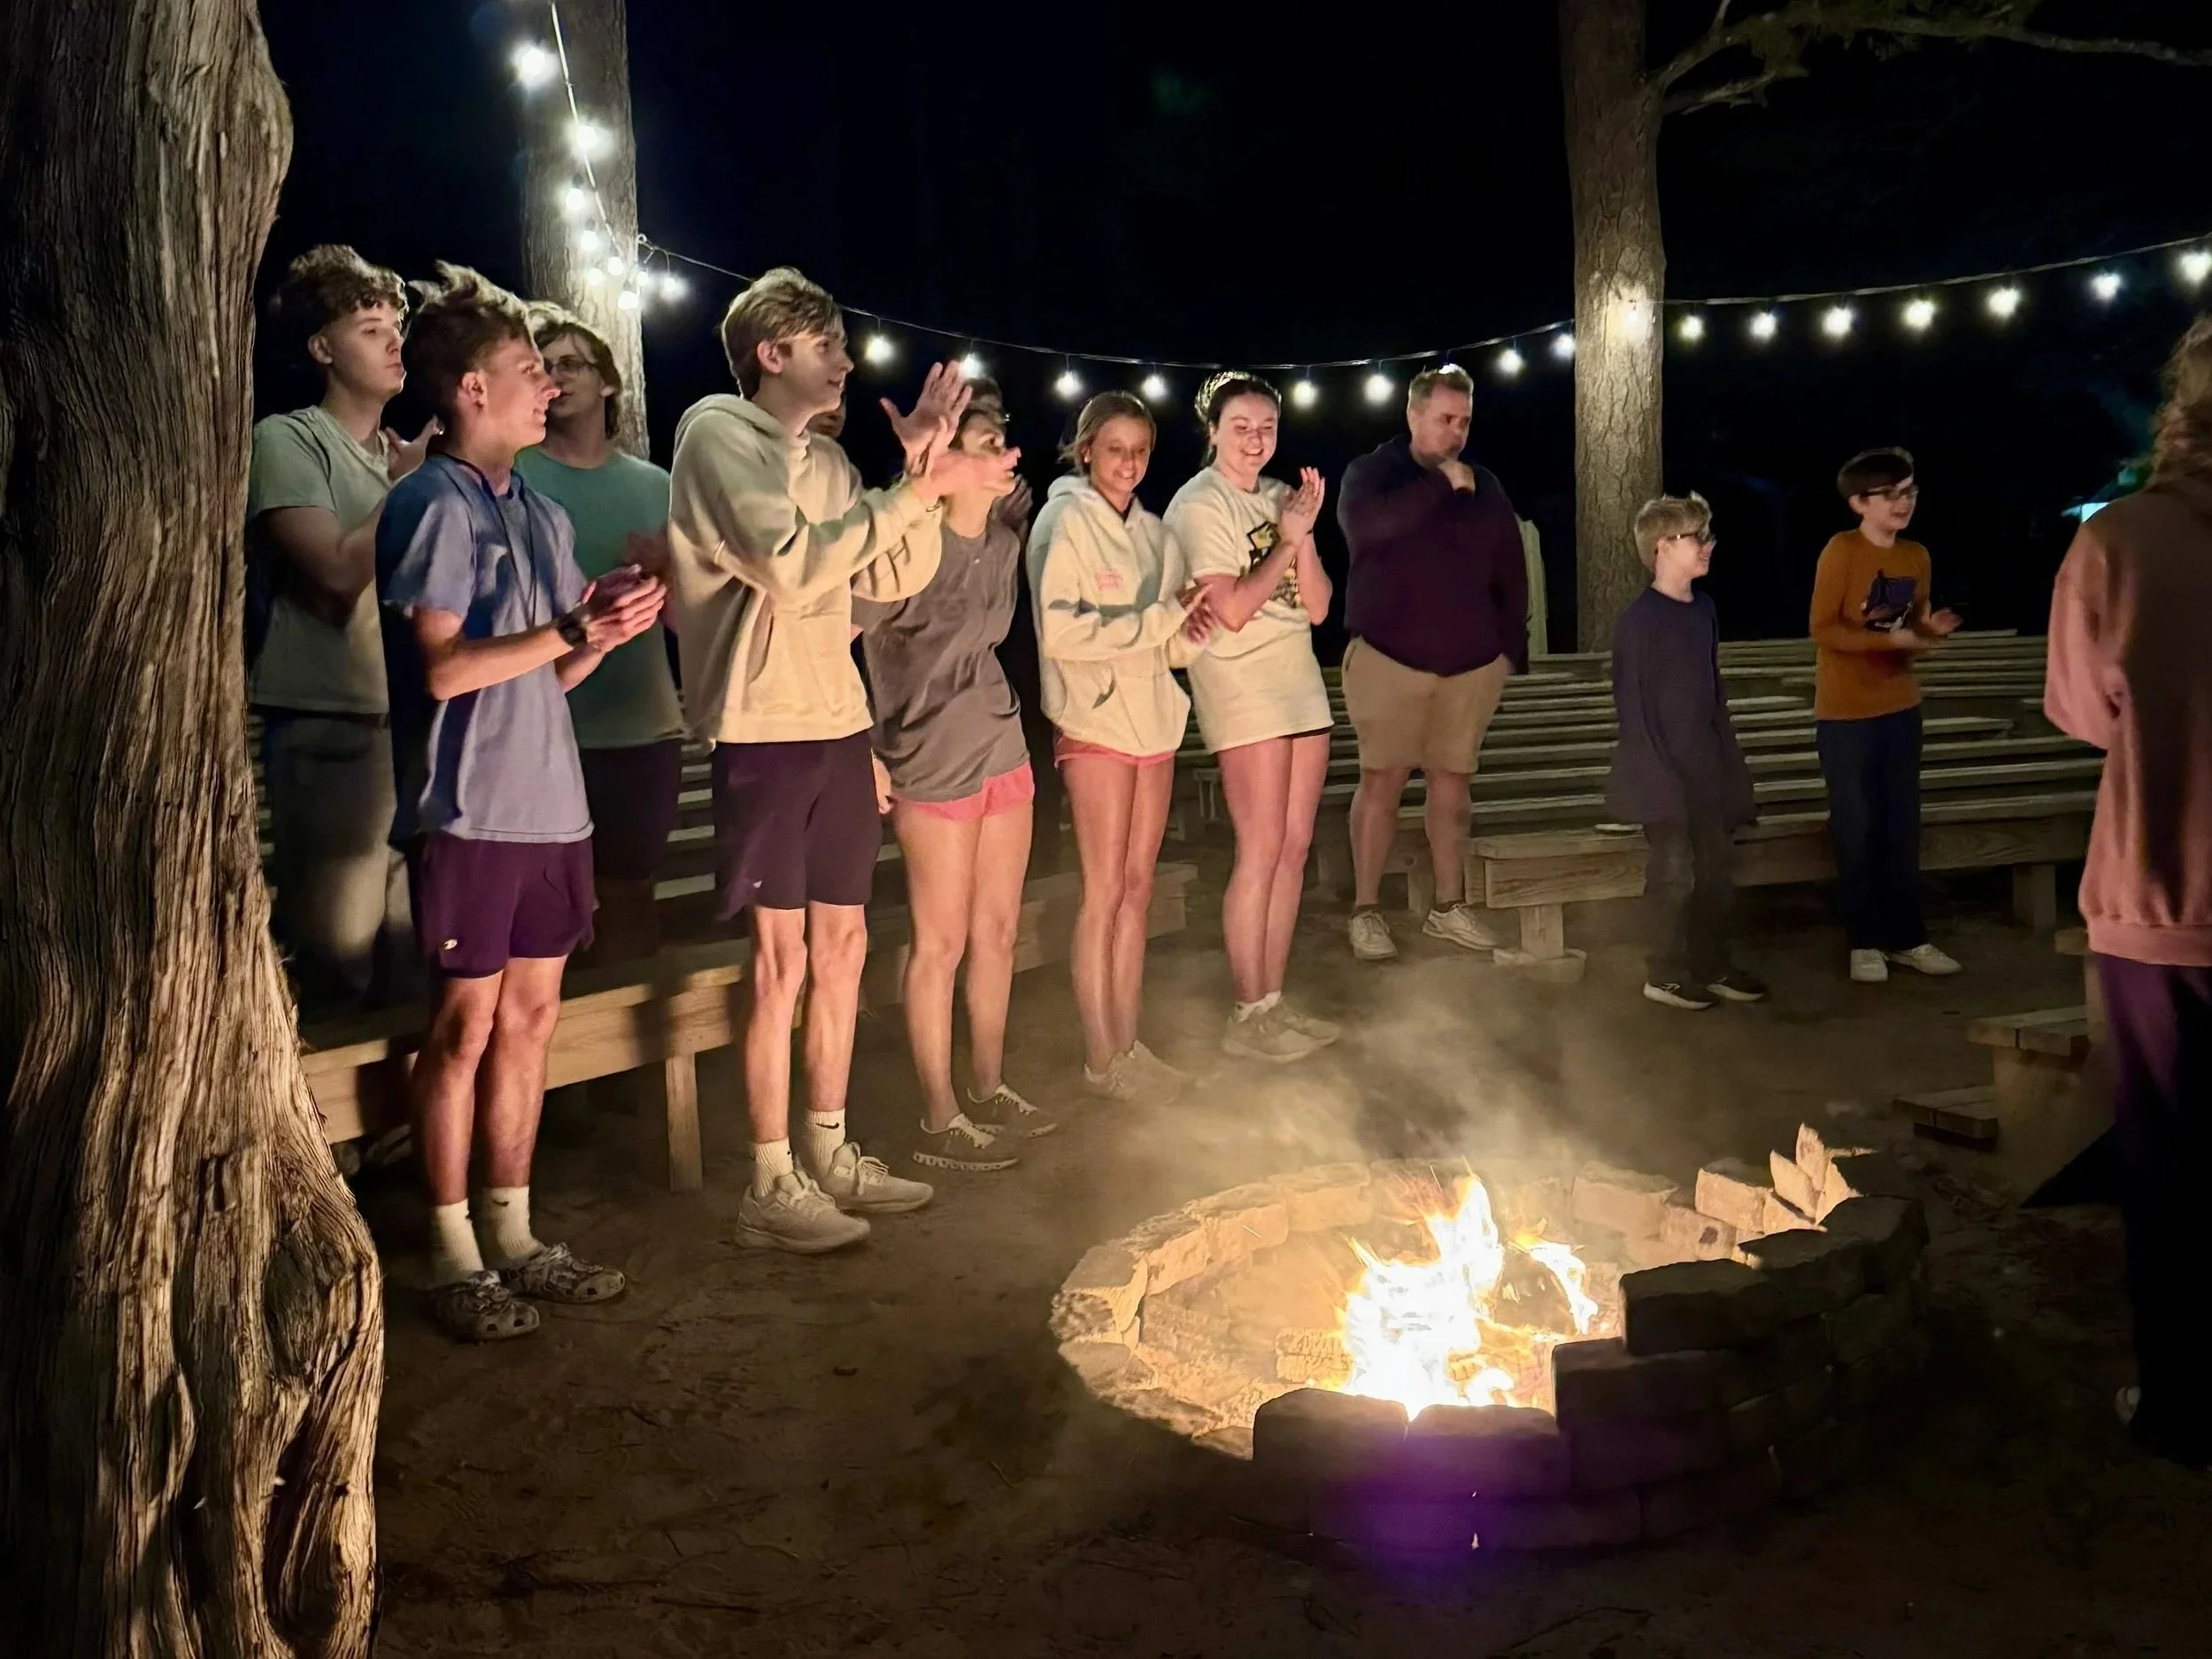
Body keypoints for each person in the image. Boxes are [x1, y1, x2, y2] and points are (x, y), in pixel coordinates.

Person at [666, 266, 1018, 1254]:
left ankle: (829, 1148)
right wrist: (909, 490)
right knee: (780, 962)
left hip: (833, 724)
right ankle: (768, 1178)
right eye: (828, 346)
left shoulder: (822, 460)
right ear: (772, 352)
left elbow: (892, 574)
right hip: (763, 731)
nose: (847, 362)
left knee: (846, 949)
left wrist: (927, 470)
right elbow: (789, 562)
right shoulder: (718, 435)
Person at [374, 265, 667, 1340]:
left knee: (533, 1022)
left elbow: (545, 673)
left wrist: (604, 629)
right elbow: (444, 670)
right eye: (527, 370)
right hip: (468, 810)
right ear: (468, 390)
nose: (548, 386)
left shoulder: (540, 512)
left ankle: (516, 1231)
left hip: (554, 809)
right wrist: (571, 633)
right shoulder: (430, 501)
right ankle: (452, 1249)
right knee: (465, 1027)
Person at [2046, 317, 2212, 1470]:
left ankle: (2183, 1408)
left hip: (2162, 892)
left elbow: (2079, 711)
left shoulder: (2120, 540)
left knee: (2167, 1157)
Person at [854, 399, 1058, 1172]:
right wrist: (863, 746)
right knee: (938, 940)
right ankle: (938, 1119)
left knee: (997, 931)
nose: (1003, 450)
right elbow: (848, 637)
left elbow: (992, 642)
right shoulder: (907, 542)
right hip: (927, 755)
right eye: (985, 441)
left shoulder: (1004, 545)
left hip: (1000, 745)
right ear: (945, 461)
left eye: (1003, 438)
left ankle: (988, 1085)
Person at [247, 245, 435, 1011]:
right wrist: (407, 491)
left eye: (397, 324)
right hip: (330, 725)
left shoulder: (400, 457)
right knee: (336, 950)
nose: (395, 341)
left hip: (409, 723)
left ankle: (403, 1129)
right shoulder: (289, 439)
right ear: (323, 349)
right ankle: (327, 1131)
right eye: (369, 327)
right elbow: (330, 575)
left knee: (410, 950)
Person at [1029, 391, 1215, 1101]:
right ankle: (1100, 1055)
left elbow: (1163, 645)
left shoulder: (1157, 534)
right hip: (1095, 724)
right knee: (1102, 890)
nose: (1129, 464)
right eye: (1115, 449)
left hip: (1153, 725)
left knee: (1137, 890)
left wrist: (1185, 635)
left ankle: (1130, 1045)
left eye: (1140, 450)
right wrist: (1160, 619)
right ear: (1085, 451)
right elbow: (1063, 634)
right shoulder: (1062, 521)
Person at [1166, 372, 1340, 1061]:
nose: (1254, 439)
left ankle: (1274, 997)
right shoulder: (1197, 505)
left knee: (1294, 847)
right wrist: (1283, 542)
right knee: (1260, 847)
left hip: (1298, 681)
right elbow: (1231, 612)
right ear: (1212, 430)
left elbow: (1320, 606)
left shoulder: (1279, 499)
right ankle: (1247, 1011)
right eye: (1240, 426)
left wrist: (1302, 533)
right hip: (1242, 685)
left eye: (1266, 426)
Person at [1336, 364, 1529, 962]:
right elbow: (1368, 531)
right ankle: (1366, 909)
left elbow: (1509, 566)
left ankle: (1448, 906)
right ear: (1413, 415)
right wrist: (1440, 486)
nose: (1455, 432)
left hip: (1471, 664)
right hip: (1390, 657)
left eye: (1464, 421)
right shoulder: (1372, 475)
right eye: (1444, 419)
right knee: (1382, 781)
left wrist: (1507, 652)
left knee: (1452, 785)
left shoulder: (1486, 485)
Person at [514, 306, 683, 966]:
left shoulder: (655, 486)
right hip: (546, 724)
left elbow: (681, 624)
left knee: (632, 898)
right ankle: (564, 1066)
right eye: (543, 367)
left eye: (571, 363)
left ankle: (635, 1069)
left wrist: (672, 570)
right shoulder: (516, 479)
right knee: (551, 912)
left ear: (608, 383)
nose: (557, 378)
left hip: (642, 728)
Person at [1808, 448, 1964, 984]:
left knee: (1901, 825)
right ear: (1859, 503)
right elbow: (1823, 628)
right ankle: (1864, 940)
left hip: (1901, 708)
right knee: (1856, 827)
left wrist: (1926, 637)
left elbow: (1912, 628)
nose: (1904, 504)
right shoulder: (1842, 550)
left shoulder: (1916, 556)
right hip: (1846, 714)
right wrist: (1892, 637)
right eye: (1891, 495)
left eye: (1910, 492)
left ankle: (1908, 937)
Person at [1606, 494, 1766, 1011]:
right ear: (1661, 547)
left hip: (1706, 767)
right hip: (1662, 771)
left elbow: (1714, 697)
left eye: (1707, 535)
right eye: (1697, 537)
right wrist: (1658, 780)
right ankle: (1665, 973)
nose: (1707, 546)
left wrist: (1732, 772)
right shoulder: (1639, 621)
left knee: (1718, 870)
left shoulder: (1704, 611)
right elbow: (1634, 707)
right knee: (1674, 872)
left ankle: (1711, 964)